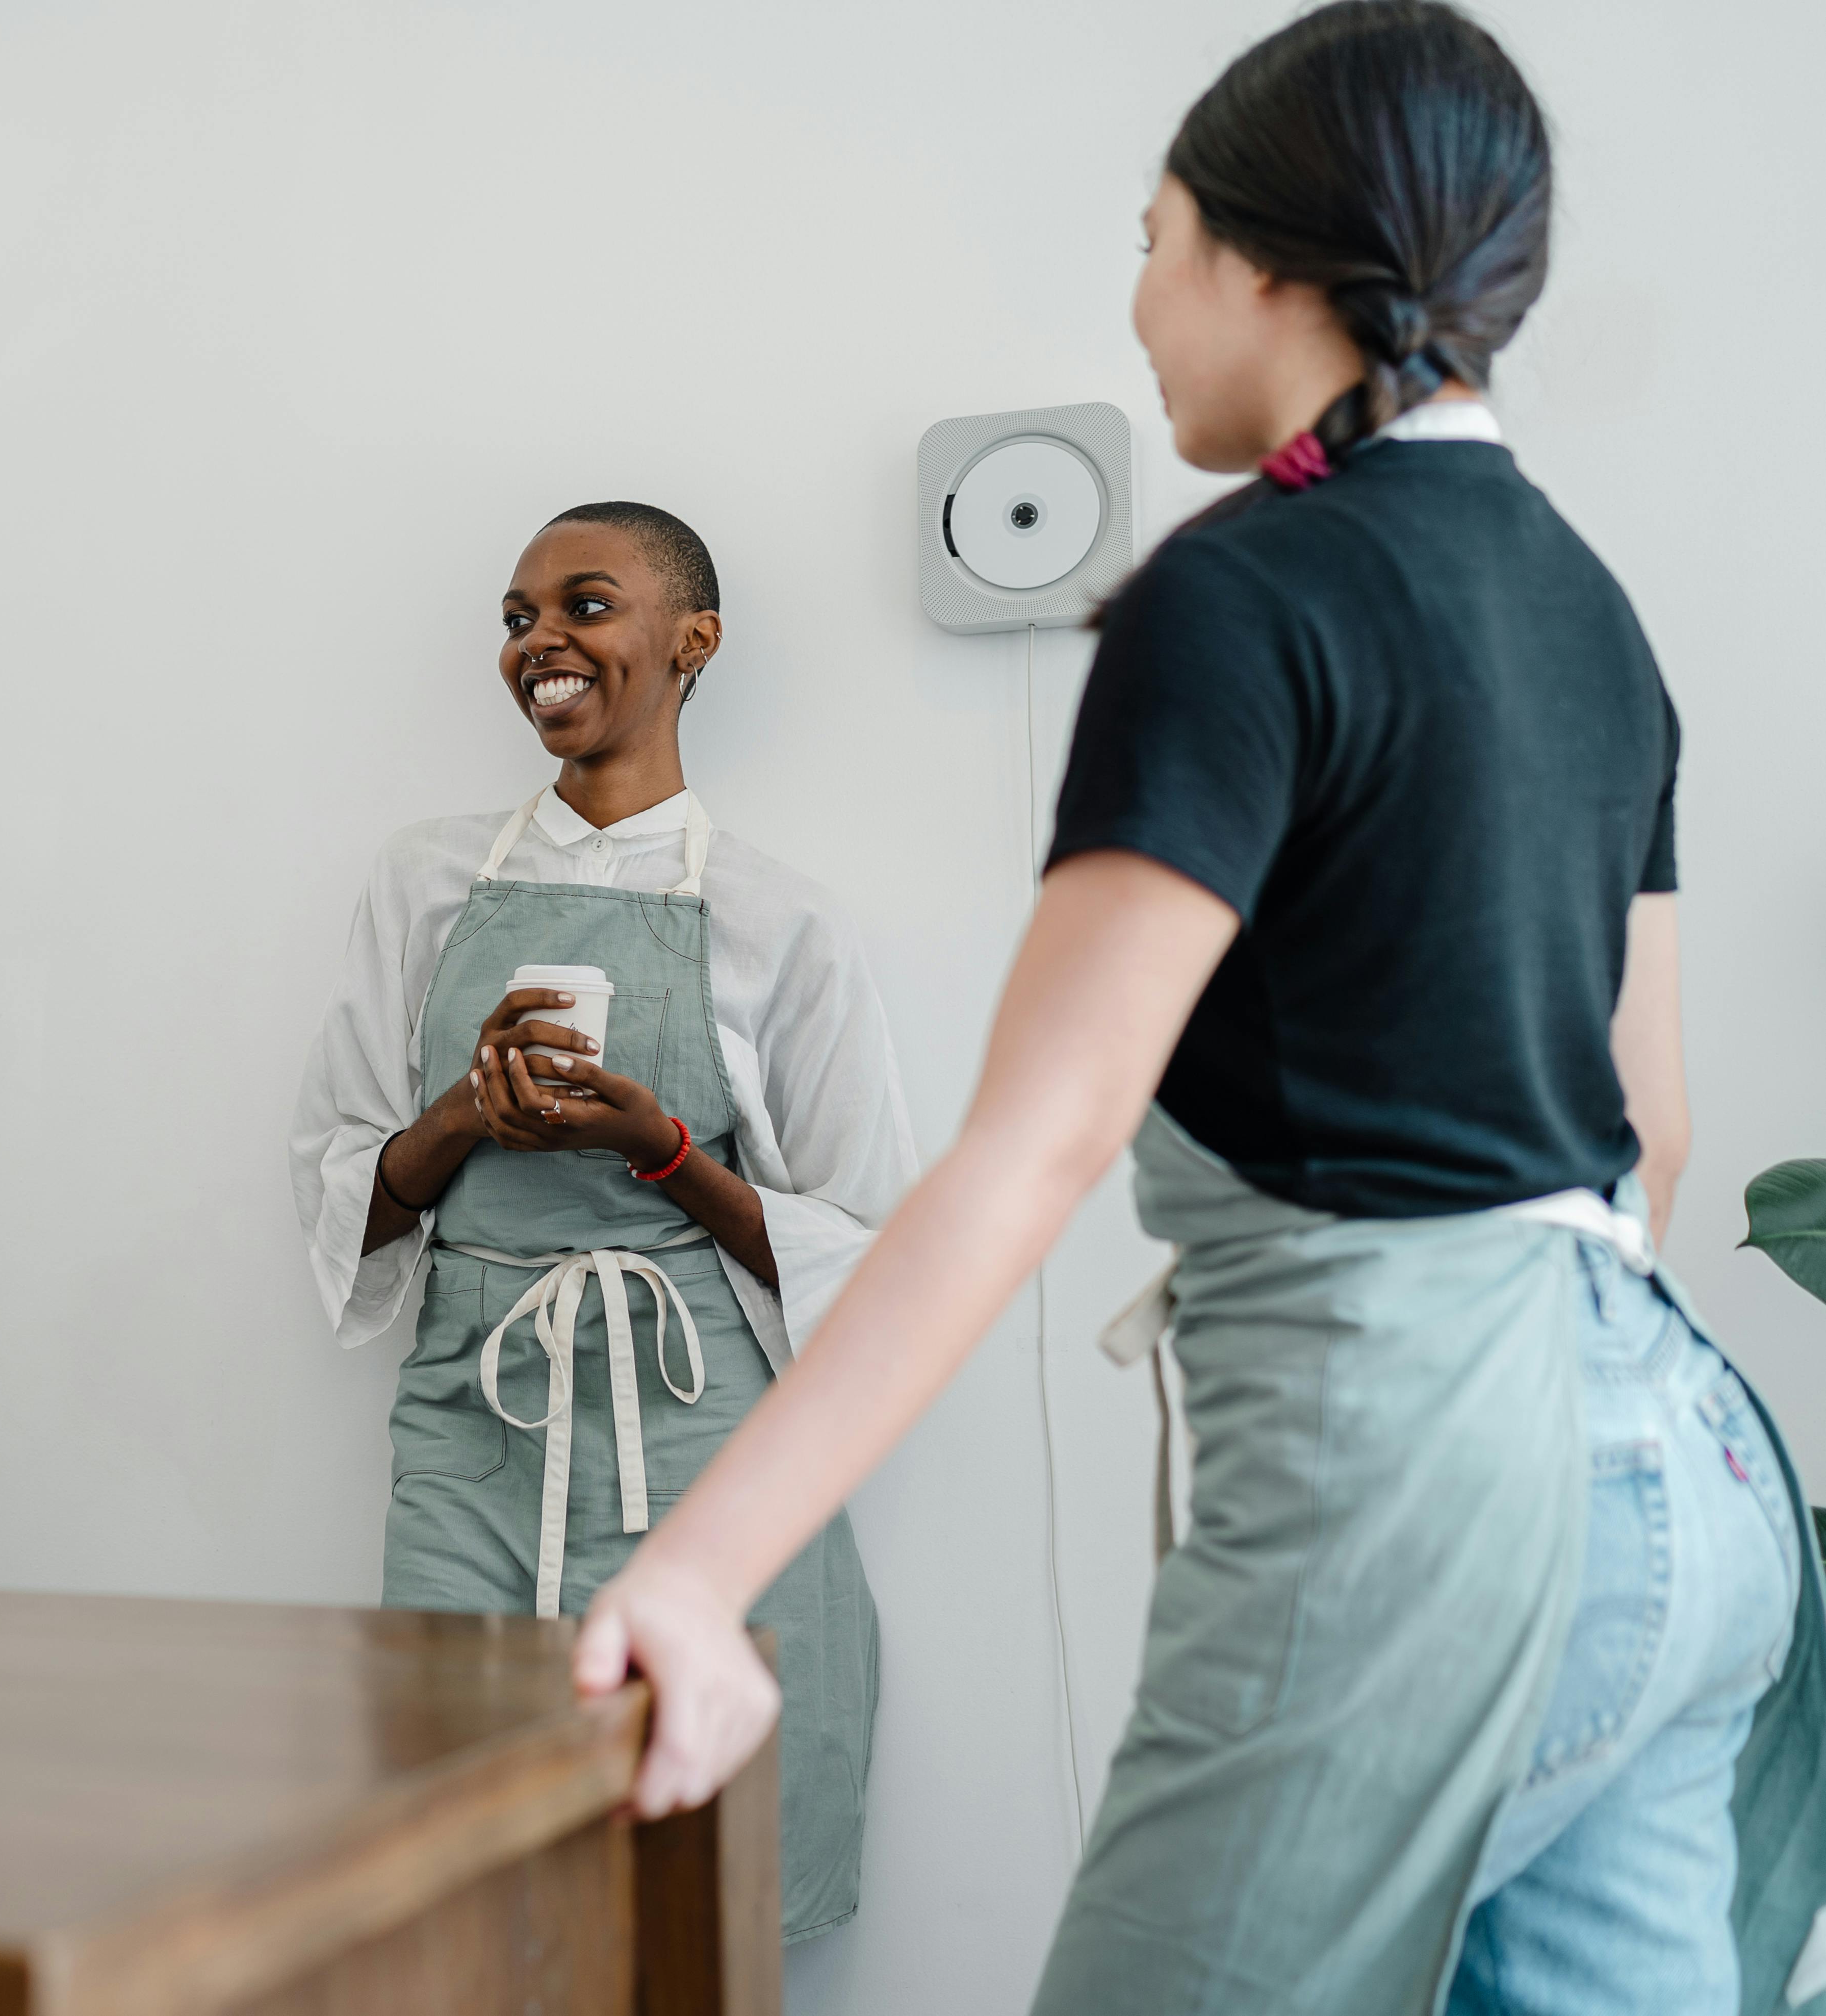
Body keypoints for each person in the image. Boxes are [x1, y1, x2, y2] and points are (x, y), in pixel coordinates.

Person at [572, 8, 1826, 2009]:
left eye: (1152, 240)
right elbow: (1647, 1128)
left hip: (1415, 1486)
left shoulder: (1240, 594)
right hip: (1686, 1480)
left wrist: (696, 1572)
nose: (1142, 305)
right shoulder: (1588, 608)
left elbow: (1036, 1144)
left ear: (1267, 261)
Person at [290, 502, 917, 1943]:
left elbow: (873, 1251)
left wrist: (664, 1151)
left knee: (701, 1871)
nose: (542, 645)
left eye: (584, 605)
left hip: (702, 1439)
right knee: (449, 1842)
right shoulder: (424, 882)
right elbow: (337, 1169)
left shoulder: (782, 918)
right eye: (518, 620)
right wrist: (462, 1117)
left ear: (693, 640)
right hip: (473, 1424)